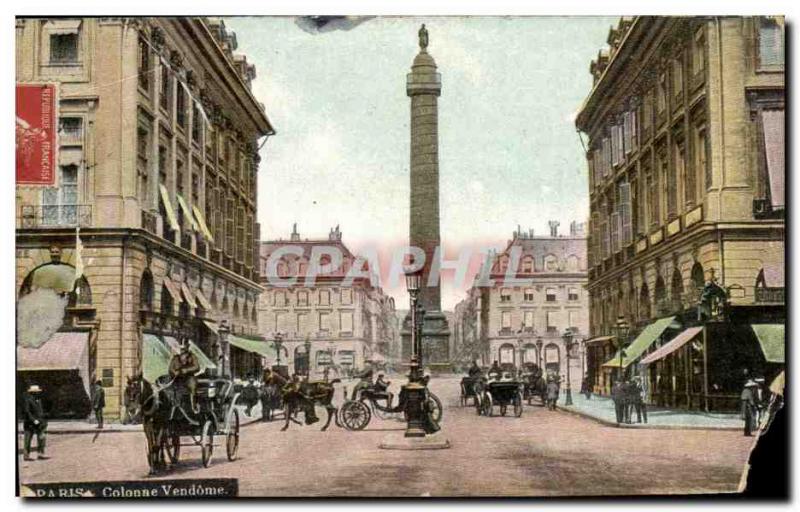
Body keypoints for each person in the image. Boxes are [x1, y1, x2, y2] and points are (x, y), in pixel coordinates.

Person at [168, 343, 200, 413]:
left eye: (184, 348)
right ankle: (174, 406)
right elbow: (170, 369)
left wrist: (186, 369)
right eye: (181, 348)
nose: (182, 350)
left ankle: (193, 405)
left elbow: (197, 367)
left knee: (192, 384)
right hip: (177, 379)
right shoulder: (175, 358)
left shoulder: (192, 357)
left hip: (189, 377)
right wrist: (174, 372)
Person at [22, 384, 48, 461]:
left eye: (38, 392)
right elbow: (27, 412)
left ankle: (40, 454)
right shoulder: (28, 400)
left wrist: (43, 419)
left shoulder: (39, 400)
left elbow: (41, 410)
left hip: (40, 422)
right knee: (28, 439)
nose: (37, 393)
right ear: (32, 392)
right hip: (30, 423)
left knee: (41, 438)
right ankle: (26, 455)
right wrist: (33, 420)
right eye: (36, 392)